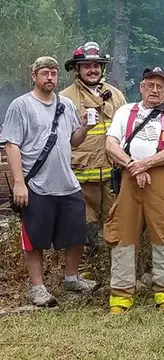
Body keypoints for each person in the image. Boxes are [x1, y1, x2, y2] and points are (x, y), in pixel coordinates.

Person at [1, 56, 97, 307]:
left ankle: (71, 277)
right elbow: (11, 145)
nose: (50, 77)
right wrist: (19, 183)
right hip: (36, 185)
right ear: (34, 76)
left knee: (77, 234)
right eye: (45, 73)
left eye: (53, 73)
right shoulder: (21, 106)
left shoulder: (65, 105)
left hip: (67, 182)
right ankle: (37, 287)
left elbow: (74, 141)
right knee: (35, 239)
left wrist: (84, 127)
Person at [104, 67, 164, 314]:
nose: (155, 90)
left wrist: (146, 164)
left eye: (160, 86)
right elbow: (111, 144)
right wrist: (133, 165)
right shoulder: (125, 112)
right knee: (122, 235)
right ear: (141, 87)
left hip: (163, 178)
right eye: (150, 85)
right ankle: (120, 297)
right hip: (130, 177)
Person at [61, 42, 127, 262]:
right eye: (86, 65)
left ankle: (112, 267)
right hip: (80, 175)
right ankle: (85, 267)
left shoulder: (115, 95)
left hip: (112, 175)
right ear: (77, 69)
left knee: (115, 221)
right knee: (83, 224)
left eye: (96, 65)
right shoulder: (65, 99)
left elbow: (126, 131)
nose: (92, 70)